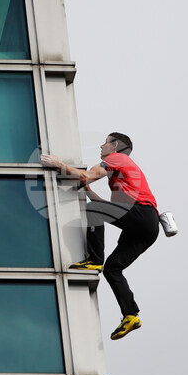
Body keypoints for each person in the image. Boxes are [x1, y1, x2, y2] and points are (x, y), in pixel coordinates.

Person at [41, 132, 159, 340]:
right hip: (147, 227)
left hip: (142, 214)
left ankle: (94, 260)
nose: (101, 146)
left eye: (105, 142)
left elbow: (87, 177)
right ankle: (131, 315)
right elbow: (105, 205)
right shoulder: (123, 165)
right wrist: (87, 190)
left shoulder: (117, 158)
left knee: (93, 210)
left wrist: (58, 164)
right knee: (113, 268)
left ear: (115, 146)